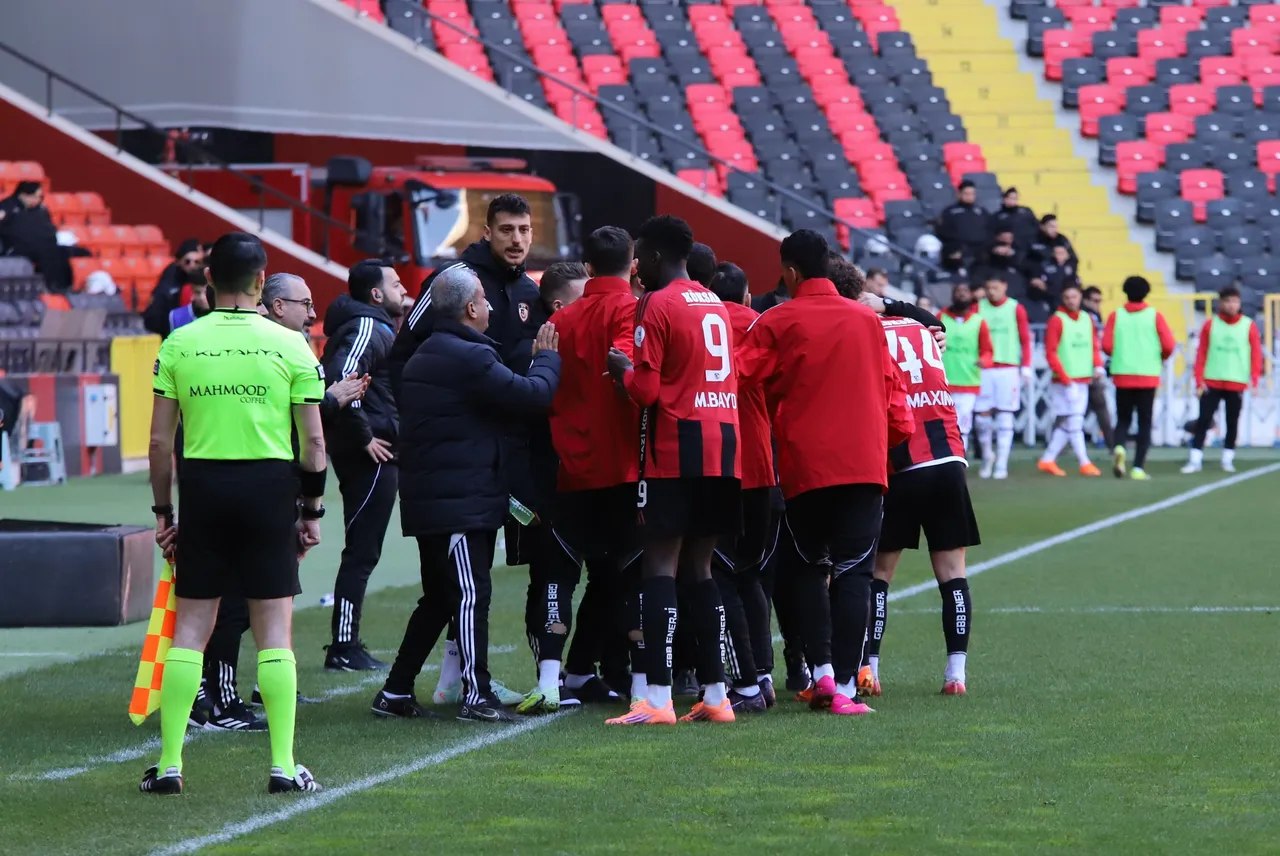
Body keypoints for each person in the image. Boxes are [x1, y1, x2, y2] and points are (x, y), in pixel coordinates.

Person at [140, 232, 328, 796]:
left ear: (207, 282)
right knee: (274, 634)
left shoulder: (179, 342)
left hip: (203, 486)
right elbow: (314, 443)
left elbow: (156, 443)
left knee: (190, 632)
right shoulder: (293, 345)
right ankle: (283, 766)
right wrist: (312, 509)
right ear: (261, 282)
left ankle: (170, 764)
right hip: (269, 487)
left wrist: (164, 512)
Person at [735, 230, 913, 716]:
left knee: (808, 570)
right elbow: (897, 399)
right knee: (855, 572)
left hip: (804, 467)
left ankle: (823, 677)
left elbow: (736, 376)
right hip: (863, 464)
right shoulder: (867, 321)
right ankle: (849, 692)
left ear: (789, 272)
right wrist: (883, 442)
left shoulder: (778, 319)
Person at [375, 265, 561, 723]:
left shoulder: (429, 354)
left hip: (435, 498)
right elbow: (532, 396)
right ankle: (476, 693)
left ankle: (396, 690)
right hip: (459, 501)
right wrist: (546, 358)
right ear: (471, 307)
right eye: (485, 300)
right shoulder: (468, 357)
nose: (492, 307)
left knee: (439, 597)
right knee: (469, 594)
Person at [604, 215, 743, 726]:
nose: (637, 264)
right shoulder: (716, 305)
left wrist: (622, 371)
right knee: (702, 570)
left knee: (659, 567)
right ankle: (715, 694)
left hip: (676, 449)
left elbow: (646, 392)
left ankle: (658, 700)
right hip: (724, 449)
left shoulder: (655, 304)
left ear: (657, 257)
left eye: (641, 255)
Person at [519, 238, 638, 714]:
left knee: (559, 574)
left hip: (569, 468)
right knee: (628, 575)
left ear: (589, 265)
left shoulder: (557, 323)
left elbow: (542, 392)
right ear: (631, 264)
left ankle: (554, 678)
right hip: (627, 469)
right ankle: (646, 684)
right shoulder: (634, 311)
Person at [858, 304, 977, 698]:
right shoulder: (920, 327)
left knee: (880, 574)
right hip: (949, 457)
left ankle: (871, 670)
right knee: (953, 571)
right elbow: (932, 321)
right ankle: (955, 673)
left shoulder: (864, 332)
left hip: (902, 462)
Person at [318, 260, 407, 670]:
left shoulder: (374, 325)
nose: (402, 286)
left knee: (363, 547)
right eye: (395, 283)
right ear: (375, 294)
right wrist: (363, 436)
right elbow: (341, 380)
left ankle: (346, 642)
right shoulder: (367, 328)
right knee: (362, 549)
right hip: (370, 452)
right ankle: (343, 646)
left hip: (374, 447)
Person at [706, 260, 777, 713]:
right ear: (749, 297)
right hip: (765, 470)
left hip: (721, 466)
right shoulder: (764, 326)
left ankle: (745, 682)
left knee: (719, 575)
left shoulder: (701, 322)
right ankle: (764, 674)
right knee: (751, 573)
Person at [1183, 286, 1264, 474]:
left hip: (1236, 381)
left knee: (1232, 421)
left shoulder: (1248, 325)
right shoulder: (1210, 325)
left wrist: (1254, 379)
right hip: (1212, 380)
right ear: (1221, 303)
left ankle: (1228, 458)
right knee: (1203, 420)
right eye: (1228, 301)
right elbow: (1201, 352)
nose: (1231, 305)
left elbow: (1256, 354)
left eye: (1235, 301)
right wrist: (1198, 379)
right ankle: (1195, 459)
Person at [1103, 276, 1175, 480]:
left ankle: (1119, 447)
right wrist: (1159, 357)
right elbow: (1168, 344)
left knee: (1123, 418)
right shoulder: (1154, 316)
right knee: (1145, 421)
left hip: (1123, 374)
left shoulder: (1116, 316)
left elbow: (1107, 346)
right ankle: (1138, 467)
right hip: (1147, 374)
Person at [1037, 283, 1105, 477]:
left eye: (1074, 297)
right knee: (1075, 422)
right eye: (1067, 297)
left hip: (1082, 379)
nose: (1071, 301)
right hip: (1064, 381)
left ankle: (1048, 459)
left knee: (1070, 422)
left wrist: (1097, 365)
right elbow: (1051, 353)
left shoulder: (1086, 319)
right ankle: (1084, 462)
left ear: (1080, 298)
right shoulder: (1057, 320)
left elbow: (1093, 345)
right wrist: (1066, 380)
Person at [975, 275, 1033, 479]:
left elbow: (1026, 339)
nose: (992, 291)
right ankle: (987, 456)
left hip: (1008, 368)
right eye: (989, 287)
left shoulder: (1015, 308)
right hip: (983, 369)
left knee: (1005, 415)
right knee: (982, 416)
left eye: (995, 287)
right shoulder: (979, 307)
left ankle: (1002, 461)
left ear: (1004, 287)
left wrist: (1026, 367)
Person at [937, 282, 994, 453]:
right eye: (958, 291)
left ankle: (960, 461)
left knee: (963, 426)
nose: (961, 295)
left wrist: (984, 361)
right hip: (943, 380)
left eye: (965, 291)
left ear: (971, 295)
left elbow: (988, 351)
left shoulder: (979, 322)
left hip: (968, 381)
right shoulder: (941, 317)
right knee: (944, 425)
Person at [0, 181, 71, 291]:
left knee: (62, 251)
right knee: (45, 251)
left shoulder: (41, 209)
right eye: (34, 197)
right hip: (16, 248)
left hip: (43, 244)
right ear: (23, 195)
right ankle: (51, 286)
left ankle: (65, 286)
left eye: (40, 197)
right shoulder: (8, 206)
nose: (37, 200)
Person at [143, 239, 206, 338]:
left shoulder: (209, 279)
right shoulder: (170, 281)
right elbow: (153, 316)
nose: (192, 265)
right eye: (187, 261)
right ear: (178, 262)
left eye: (197, 262)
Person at [1081, 286, 1115, 451]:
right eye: (1095, 301)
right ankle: (1111, 443)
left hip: (1088, 368)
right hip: (1083, 369)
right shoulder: (1087, 316)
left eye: (1099, 301)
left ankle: (1111, 442)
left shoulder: (1089, 316)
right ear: (1085, 300)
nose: (1098, 305)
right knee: (1096, 407)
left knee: (1094, 407)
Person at [936, 180, 990, 269]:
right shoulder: (950, 212)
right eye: (966, 193)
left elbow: (989, 230)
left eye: (972, 194)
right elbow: (942, 232)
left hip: (980, 253)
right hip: (958, 253)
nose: (970, 196)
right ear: (959, 194)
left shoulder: (982, 212)